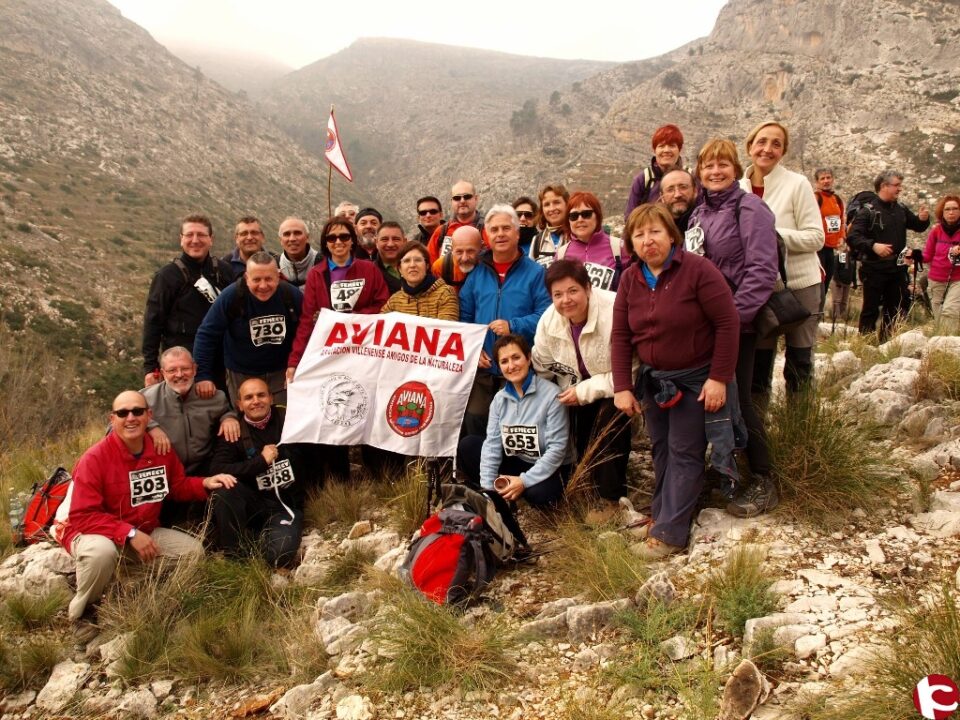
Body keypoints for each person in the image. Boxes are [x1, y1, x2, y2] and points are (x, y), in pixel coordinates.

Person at [612, 204, 740, 560]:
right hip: (655, 382)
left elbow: (728, 324)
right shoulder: (629, 278)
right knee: (662, 450)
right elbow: (621, 335)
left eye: (655, 231)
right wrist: (622, 385)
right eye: (639, 234)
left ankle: (671, 533)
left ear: (671, 234)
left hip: (695, 380)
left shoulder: (698, 270)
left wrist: (718, 379)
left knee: (685, 452)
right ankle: (662, 517)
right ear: (631, 242)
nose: (647, 240)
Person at [53, 391, 235, 637]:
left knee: (193, 554)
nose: (131, 418)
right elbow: (83, 515)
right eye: (123, 413)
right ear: (112, 419)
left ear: (149, 415)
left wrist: (205, 483)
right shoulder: (94, 458)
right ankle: (83, 613)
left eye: (138, 411)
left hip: (140, 529)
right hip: (92, 531)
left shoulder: (160, 451)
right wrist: (128, 533)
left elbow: (177, 485)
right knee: (101, 554)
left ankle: (121, 580)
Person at [687, 138, 779, 518]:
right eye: (708, 165)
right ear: (699, 171)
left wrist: (731, 321)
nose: (715, 171)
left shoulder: (752, 209)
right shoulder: (697, 214)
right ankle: (725, 470)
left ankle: (764, 478)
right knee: (711, 400)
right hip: (703, 326)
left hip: (737, 324)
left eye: (723, 164)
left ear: (736, 168)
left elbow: (761, 271)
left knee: (738, 400)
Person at [532, 259, 632, 506]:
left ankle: (610, 498)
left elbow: (631, 371)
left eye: (573, 291)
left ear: (588, 288)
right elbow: (542, 365)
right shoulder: (549, 321)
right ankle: (579, 486)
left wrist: (584, 391)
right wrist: (544, 399)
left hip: (617, 387)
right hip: (573, 387)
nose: (566, 300)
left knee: (608, 423)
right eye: (558, 294)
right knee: (575, 434)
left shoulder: (615, 310)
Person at [457, 334, 573, 537]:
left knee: (537, 493)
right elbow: (492, 445)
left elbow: (557, 450)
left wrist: (523, 481)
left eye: (516, 357)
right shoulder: (499, 400)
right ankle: (501, 495)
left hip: (553, 467)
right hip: (519, 459)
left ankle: (519, 491)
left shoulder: (552, 395)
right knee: (468, 446)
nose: (511, 365)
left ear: (528, 358)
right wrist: (489, 491)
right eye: (504, 361)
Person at [740, 121, 824, 397]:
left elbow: (816, 237)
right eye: (762, 142)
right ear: (750, 146)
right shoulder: (737, 187)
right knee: (758, 368)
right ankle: (758, 435)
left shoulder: (797, 184)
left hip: (801, 286)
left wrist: (772, 235)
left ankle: (800, 428)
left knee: (800, 363)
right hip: (760, 290)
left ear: (783, 151)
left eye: (776, 144)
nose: (767, 149)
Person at [459, 204, 551, 436]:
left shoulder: (535, 273)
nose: (500, 234)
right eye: (494, 229)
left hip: (519, 368)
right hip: (485, 367)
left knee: (515, 428)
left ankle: (511, 473)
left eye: (506, 228)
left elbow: (546, 316)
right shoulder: (477, 272)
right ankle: (478, 472)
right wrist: (473, 348)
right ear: (486, 236)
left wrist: (513, 325)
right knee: (475, 421)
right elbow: (464, 315)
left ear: (517, 233)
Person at [209, 378, 308, 567]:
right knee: (224, 489)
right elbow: (217, 469)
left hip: (285, 508)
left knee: (280, 556)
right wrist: (260, 462)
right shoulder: (233, 430)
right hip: (252, 504)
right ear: (239, 404)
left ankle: (259, 541)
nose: (256, 401)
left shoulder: (290, 419)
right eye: (248, 397)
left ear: (271, 398)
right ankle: (235, 556)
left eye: (261, 395)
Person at [286, 217, 391, 381]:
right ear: (325, 243)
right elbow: (307, 320)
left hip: (363, 349)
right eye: (331, 238)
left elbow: (383, 305)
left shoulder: (370, 269)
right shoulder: (316, 274)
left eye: (344, 236)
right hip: (331, 350)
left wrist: (350, 319)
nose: (338, 241)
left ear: (352, 240)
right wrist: (294, 362)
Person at [193, 252, 303, 406]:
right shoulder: (231, 296)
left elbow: (306, 331)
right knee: (246, 422)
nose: (263, 286)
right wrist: (202, 375)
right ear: (246, 278)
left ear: (278, 277)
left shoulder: (291, 295)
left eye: (269, 279)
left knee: (284, 420)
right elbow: (207, 334)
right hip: (241, 374)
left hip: (281, 373)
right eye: (256, 279)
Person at [142, 214, 232, 387]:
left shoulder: (225, 272)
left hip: (222, 361)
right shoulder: (166, 277)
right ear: (181, 239)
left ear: (211, 239)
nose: (195, 240)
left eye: (201, 235)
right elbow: (153, 323)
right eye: (189, 235)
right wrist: (150, 368)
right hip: (182, 365)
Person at [847, 169, 930, 340]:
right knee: (870, 309)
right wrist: (873, 246)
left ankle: (887, 345)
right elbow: (853, 237)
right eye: (896, 185)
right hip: (874, 269)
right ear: (884, 186)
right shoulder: (868, 211)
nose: (900, 189)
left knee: (894, 309)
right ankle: (866, 345)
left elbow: (917, 226)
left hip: (897, 269)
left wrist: (923, 219)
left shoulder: (900, 208)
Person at [142, 347, 239, 476]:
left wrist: (229, 418)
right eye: (172, 370)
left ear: (194, 369)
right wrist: (151, 427)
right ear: (163, 373)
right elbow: (119, 424)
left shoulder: (213, 396)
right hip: (164, 471)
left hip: (205, 469)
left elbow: (227, 410)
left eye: (185, 368)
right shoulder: (145, 398)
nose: (179, 374)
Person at [556, 191, 627, 291]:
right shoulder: (561, 255)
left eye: (586, 214)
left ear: (597, 216)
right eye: (574, 216)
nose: (580, 219)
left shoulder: (619, 248)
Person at [624, 124, 690, 220]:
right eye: (661, 146)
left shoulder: (690, 177)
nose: (666, 150)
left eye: (672, 146)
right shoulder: (644, 179)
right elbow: (630, 218)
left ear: (680, 150)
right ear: (654, 150)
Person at [382, 241, 459, 320]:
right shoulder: (394, 301)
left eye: (418, 260)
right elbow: (380, 326)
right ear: (400, 269)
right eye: (407, 261)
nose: (412, 265)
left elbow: (447, 329)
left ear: (427, 266)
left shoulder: (445, 294)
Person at [921, 194, 960, 331]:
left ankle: (949, 347)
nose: (951, 212)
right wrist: (914, 257)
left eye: (955, 208)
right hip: (936, 280)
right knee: (938, 319)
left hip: (958, 279)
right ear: (941, 213)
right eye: (947, 209)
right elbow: (927, 255)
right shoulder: (936, 231)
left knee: (949, 311)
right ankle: (943, 347)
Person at [427, 180, 487, 262]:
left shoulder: (488, 229)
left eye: (467, 196)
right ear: (452, 202)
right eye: (457, 198)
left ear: (476, 199)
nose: (462, 201)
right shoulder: (441, 232)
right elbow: (429, 266)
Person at [814, 168, 846, 313]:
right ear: (817, 182)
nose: (826, 181)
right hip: (818, 247)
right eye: (822, 178)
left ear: (833, 179)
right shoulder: (816, 198)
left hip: (831, 248)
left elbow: (840, 220)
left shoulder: (837, 199)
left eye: (828, 177)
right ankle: (813, 314)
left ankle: (818, 315)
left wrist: (841, 237)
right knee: (818, 284)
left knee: (826, 283)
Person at [432, 225, 483, 294]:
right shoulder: (440, 267)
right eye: (459, 252)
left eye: (470, 251)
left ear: (481, 248)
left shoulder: (488, 268)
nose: (464, 258)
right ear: (452, 249)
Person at [529, 184, 569, 267]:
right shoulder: (537, 241)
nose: (552, 208)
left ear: (567, 204)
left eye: (557, 202)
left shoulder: (577, 236)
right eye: (547, 204)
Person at [278, 217, 320, 287]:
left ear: (307, 237)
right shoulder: (274, 266)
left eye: (297, 233)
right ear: (280, 240)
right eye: (287, 234)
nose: (292, 239)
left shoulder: (323, 263)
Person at [659, 169, 699, 234]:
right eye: (670, 190)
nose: (677, 195)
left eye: (683, 187)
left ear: (695, 191)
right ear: (662, 197)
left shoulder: (706, 223)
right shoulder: (655, 226)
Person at [374, 221, 405, 293]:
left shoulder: (417, 266)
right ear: (376, 242)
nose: (390, 244)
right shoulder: (370, 272)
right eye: (384, 239)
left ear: (405, 241)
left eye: (396, 239)